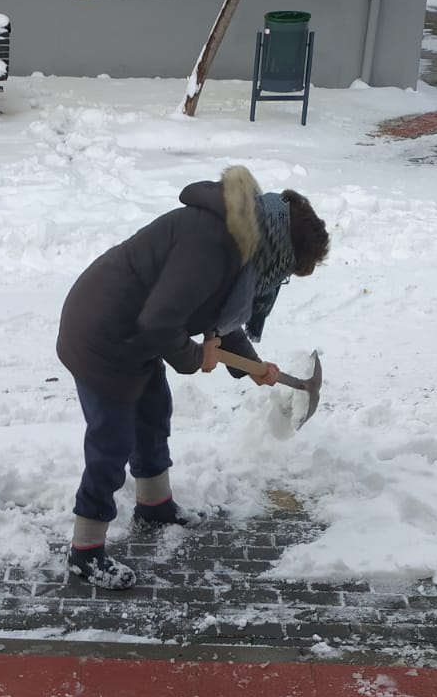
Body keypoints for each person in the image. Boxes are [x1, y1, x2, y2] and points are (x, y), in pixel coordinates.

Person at [56, 166, 329, 588]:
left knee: (153, 413)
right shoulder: (211, 243)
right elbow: (161, 322)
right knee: (112, 443)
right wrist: (196, 357)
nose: (280, 280)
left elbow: (216, 311)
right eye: (286, 271)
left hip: (134, 334)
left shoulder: (243, 239)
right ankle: (85, 552)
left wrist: (250, 365)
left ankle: (154, 504)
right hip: (104, 335)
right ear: (280, 248)